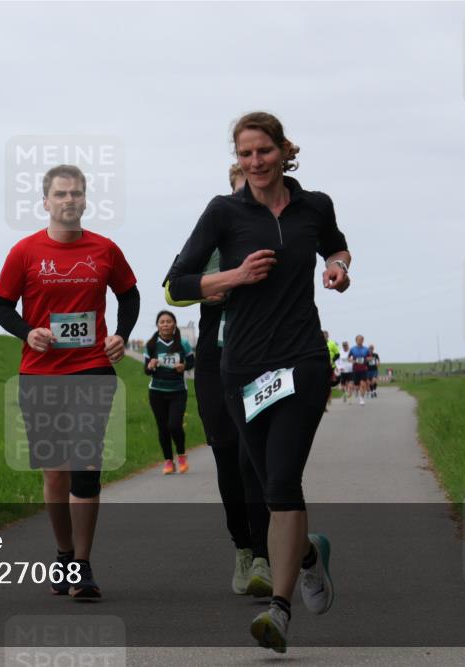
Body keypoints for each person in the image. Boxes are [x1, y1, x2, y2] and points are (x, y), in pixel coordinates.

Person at [166, 112, 352, 652]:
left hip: (301, 361)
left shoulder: (315, 205)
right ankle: (310, 555)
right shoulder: (223, 212)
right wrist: (234, 276)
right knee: (269, 488)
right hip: (242, 368)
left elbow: (337, 245)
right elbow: (177, 284)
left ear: (283, 149)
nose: (255, 163)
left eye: (263, 151)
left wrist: (338, 267)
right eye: (245, 155)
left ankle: (280, 610)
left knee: (281, 481)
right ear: (237, 158)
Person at [0, 164, 140, 600]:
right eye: (60, 194)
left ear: (85, 199)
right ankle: (62, 552)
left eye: (76, 193)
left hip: (92, 368)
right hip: (40, 374)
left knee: (86, 467)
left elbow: (128, 294)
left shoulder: (104, 250)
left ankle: (83, 565)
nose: (69, 200)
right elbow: (1, 306)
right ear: (46, 202)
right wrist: (28, 332)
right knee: (55, 476)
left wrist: (121, 335)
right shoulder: (25, 252)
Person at [180, 163, 273, 597]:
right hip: (216, 360)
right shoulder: (213, 235)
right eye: (241, 190)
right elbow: (173, 285)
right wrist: (209, 287)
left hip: (265, 357)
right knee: (226, 454)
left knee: (254, 457)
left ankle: (264, 553)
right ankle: (242, 546)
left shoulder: (275, 234)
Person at [143, 310, 195, 474]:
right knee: (163, 427)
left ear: (174, 324)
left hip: (178, 391)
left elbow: (192, 362)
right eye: (162, 322)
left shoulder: (182, 343)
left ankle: (181, 455)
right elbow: (146, 370)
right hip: (157, 391)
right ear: (158, 325)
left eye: (168, 321)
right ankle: (168, 461)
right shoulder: (151, 345)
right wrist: (150, 366)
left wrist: (184, 367)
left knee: (174, 425)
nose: (165, 324)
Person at [349, 335, 371, 406]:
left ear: (363, 341)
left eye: (361, 340)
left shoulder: (366, 349)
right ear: (356, 340)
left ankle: (361, 399)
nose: (360, 341)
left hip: (363, 369)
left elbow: (370, 357)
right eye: (358, 340)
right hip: (355, 369)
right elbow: (349, 358)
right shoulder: (352, 349)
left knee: (363, 384)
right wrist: (352, 361)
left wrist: (367, 359)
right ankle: (356, 390)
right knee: (357, 386)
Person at [323, 330, 341, 408]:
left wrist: (332, 360)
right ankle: (324, 402)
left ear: (328, 336)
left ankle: (327, 400)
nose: (324, 337)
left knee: (328, 385)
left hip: (331, 367)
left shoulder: (332, 344)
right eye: (323, 336)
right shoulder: (317, 344)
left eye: (325, 336)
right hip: (321, 368)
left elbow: (338, 354)